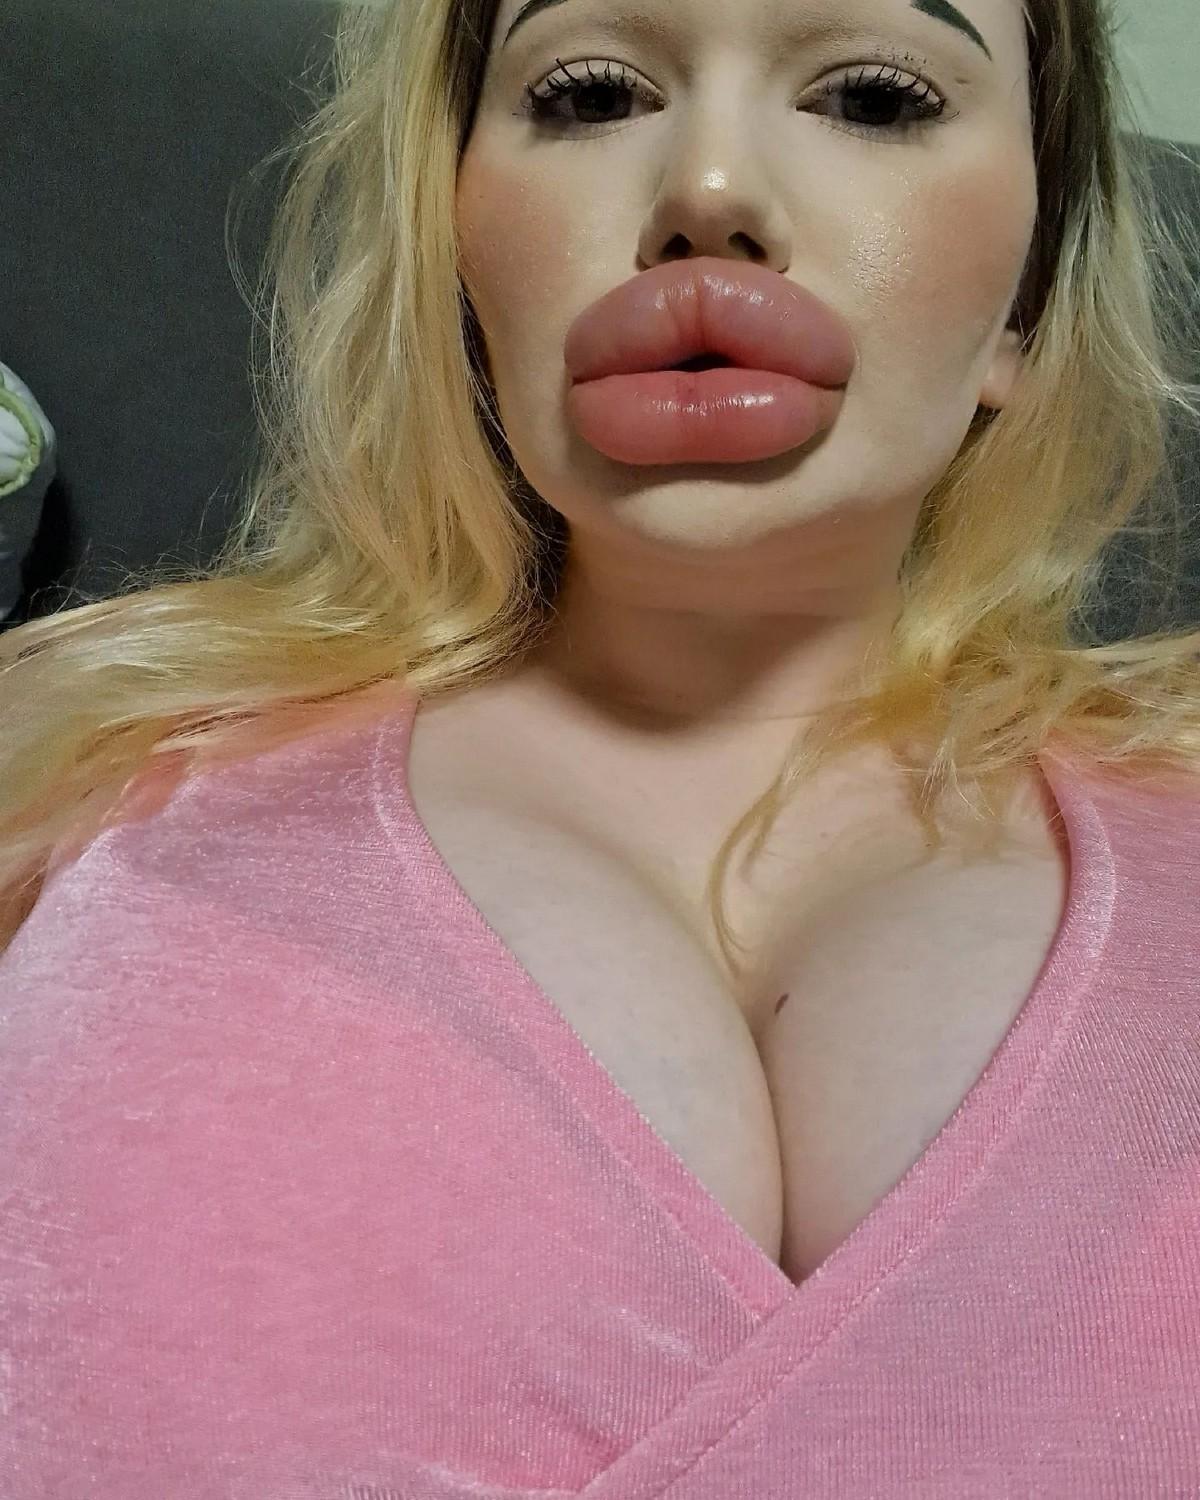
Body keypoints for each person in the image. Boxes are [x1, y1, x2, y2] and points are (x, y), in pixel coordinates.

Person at [1, 0, 1200, 1492]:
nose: (709, 190)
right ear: (456, 246)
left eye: (875, 98)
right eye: (586, 95)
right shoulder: (85, 776)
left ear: (1027, 300)